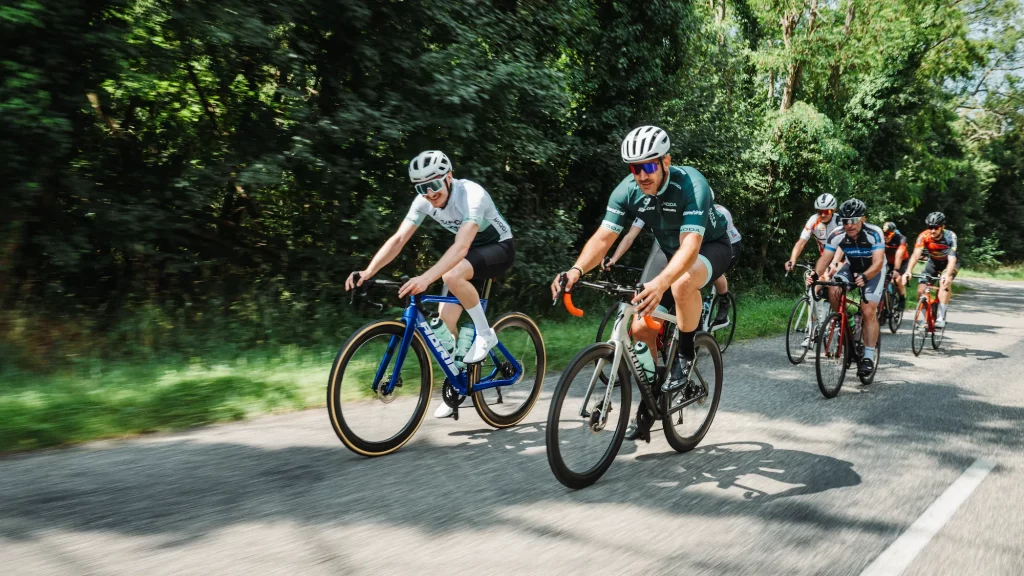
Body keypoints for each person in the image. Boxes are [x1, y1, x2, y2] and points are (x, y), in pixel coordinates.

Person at [549, 125, 732, 441]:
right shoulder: (627, 191)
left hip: (709, 246)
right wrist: (576, 270)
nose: (642, 175)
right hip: (668, 249)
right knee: (639, 328)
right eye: (636, 168)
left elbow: (689, 248)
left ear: (665, 161)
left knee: (681, 284)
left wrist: (661, 283)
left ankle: (686, 352)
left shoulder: (691, 184)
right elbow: (604, 238)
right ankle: (654, 392)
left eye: (649, 166)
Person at [345, 150, 515, 418]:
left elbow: (461, 246)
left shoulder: (471, 195)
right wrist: (367, 271)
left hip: (498, 248)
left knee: (451, 275)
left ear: (448, 178)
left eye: (433, 185)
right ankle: (458, 386)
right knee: (445, 326)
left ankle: (485, 334)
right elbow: (399, 239)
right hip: (469, 254)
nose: (429, 194)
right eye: (421, 188)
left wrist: (425, 278)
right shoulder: (424, 201)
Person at [602, 203, 740, 328]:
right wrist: (614, 258)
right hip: (683, 246)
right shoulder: (649, 208)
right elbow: (630, 237)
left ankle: (723, 301)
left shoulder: (716, 212)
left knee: (705, 271)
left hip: (728, 246)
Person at [807, 199, 885, 378]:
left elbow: (879, 262)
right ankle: (847, 323)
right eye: (845, 220)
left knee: (867, 310)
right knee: (834, 289)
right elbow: (825, 259)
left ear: (863, 219)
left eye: (854, 220)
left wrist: (865, 277)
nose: (849, 225)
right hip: (851, 266)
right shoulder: (837, 234)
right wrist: (815, 275)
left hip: (873, 270)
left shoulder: (875, 233)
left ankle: (868, 356)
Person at [902, 212, 958, 328]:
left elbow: (952, 259)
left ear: (942, 227)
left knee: (944, 283)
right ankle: (927, 319)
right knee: (920, 290)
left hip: (949, 263)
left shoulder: (950, 236)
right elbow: (916, 255)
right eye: (930, 227)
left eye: (936, 227)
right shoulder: (924, 236)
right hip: (933, 262)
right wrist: (908, 271)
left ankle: (941, 318)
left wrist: (947, 275)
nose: (932, 231)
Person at [784, 193, 842, 272]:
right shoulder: (813, 220)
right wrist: (792, 259)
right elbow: (801, 243)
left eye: (827, 211)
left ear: (834, 210)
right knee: (814, 280)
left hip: (842, 257)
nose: (823, 215)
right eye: (820, 211)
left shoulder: (839, 221)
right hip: (825, 258)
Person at [882, 222, 908, 310]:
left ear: (893, 233)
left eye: (888, 233)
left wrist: (896, 270)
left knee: (896, 279)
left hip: (901, 262)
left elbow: (899, 255)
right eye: (884, 233)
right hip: (888, 262)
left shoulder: (900, 239)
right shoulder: (880, 238)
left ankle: (902, 298)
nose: (886, 236)